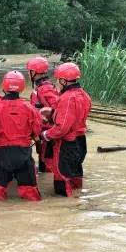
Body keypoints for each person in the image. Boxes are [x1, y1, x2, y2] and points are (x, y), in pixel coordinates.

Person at [0, 70, 42, 201]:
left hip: (2, 154)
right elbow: (37, 131)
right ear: (22, 87)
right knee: (31, 193)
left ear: (4, 86)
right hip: (24, 153)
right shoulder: (30, 108)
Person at [39, 63, 91, 197]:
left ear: (63, 81)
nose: (56, 83)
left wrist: (45, 134)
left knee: (62, 180)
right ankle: (77, 205)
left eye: (57, 80)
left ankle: (64, 212)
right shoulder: (84, 95)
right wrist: (52, 113)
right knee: (75, 176)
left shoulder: (67, 98)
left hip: (67, 144)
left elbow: (62, 128)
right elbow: (75, 117)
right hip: (80, 142)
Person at [27, 57, 60, 173]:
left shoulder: (45, 88)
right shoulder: (42, 87)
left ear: (33, 72)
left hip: (48, 135)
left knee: (47, 166)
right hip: (42, 133)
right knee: (44, 162)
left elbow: (57, 108)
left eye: (29, 71)